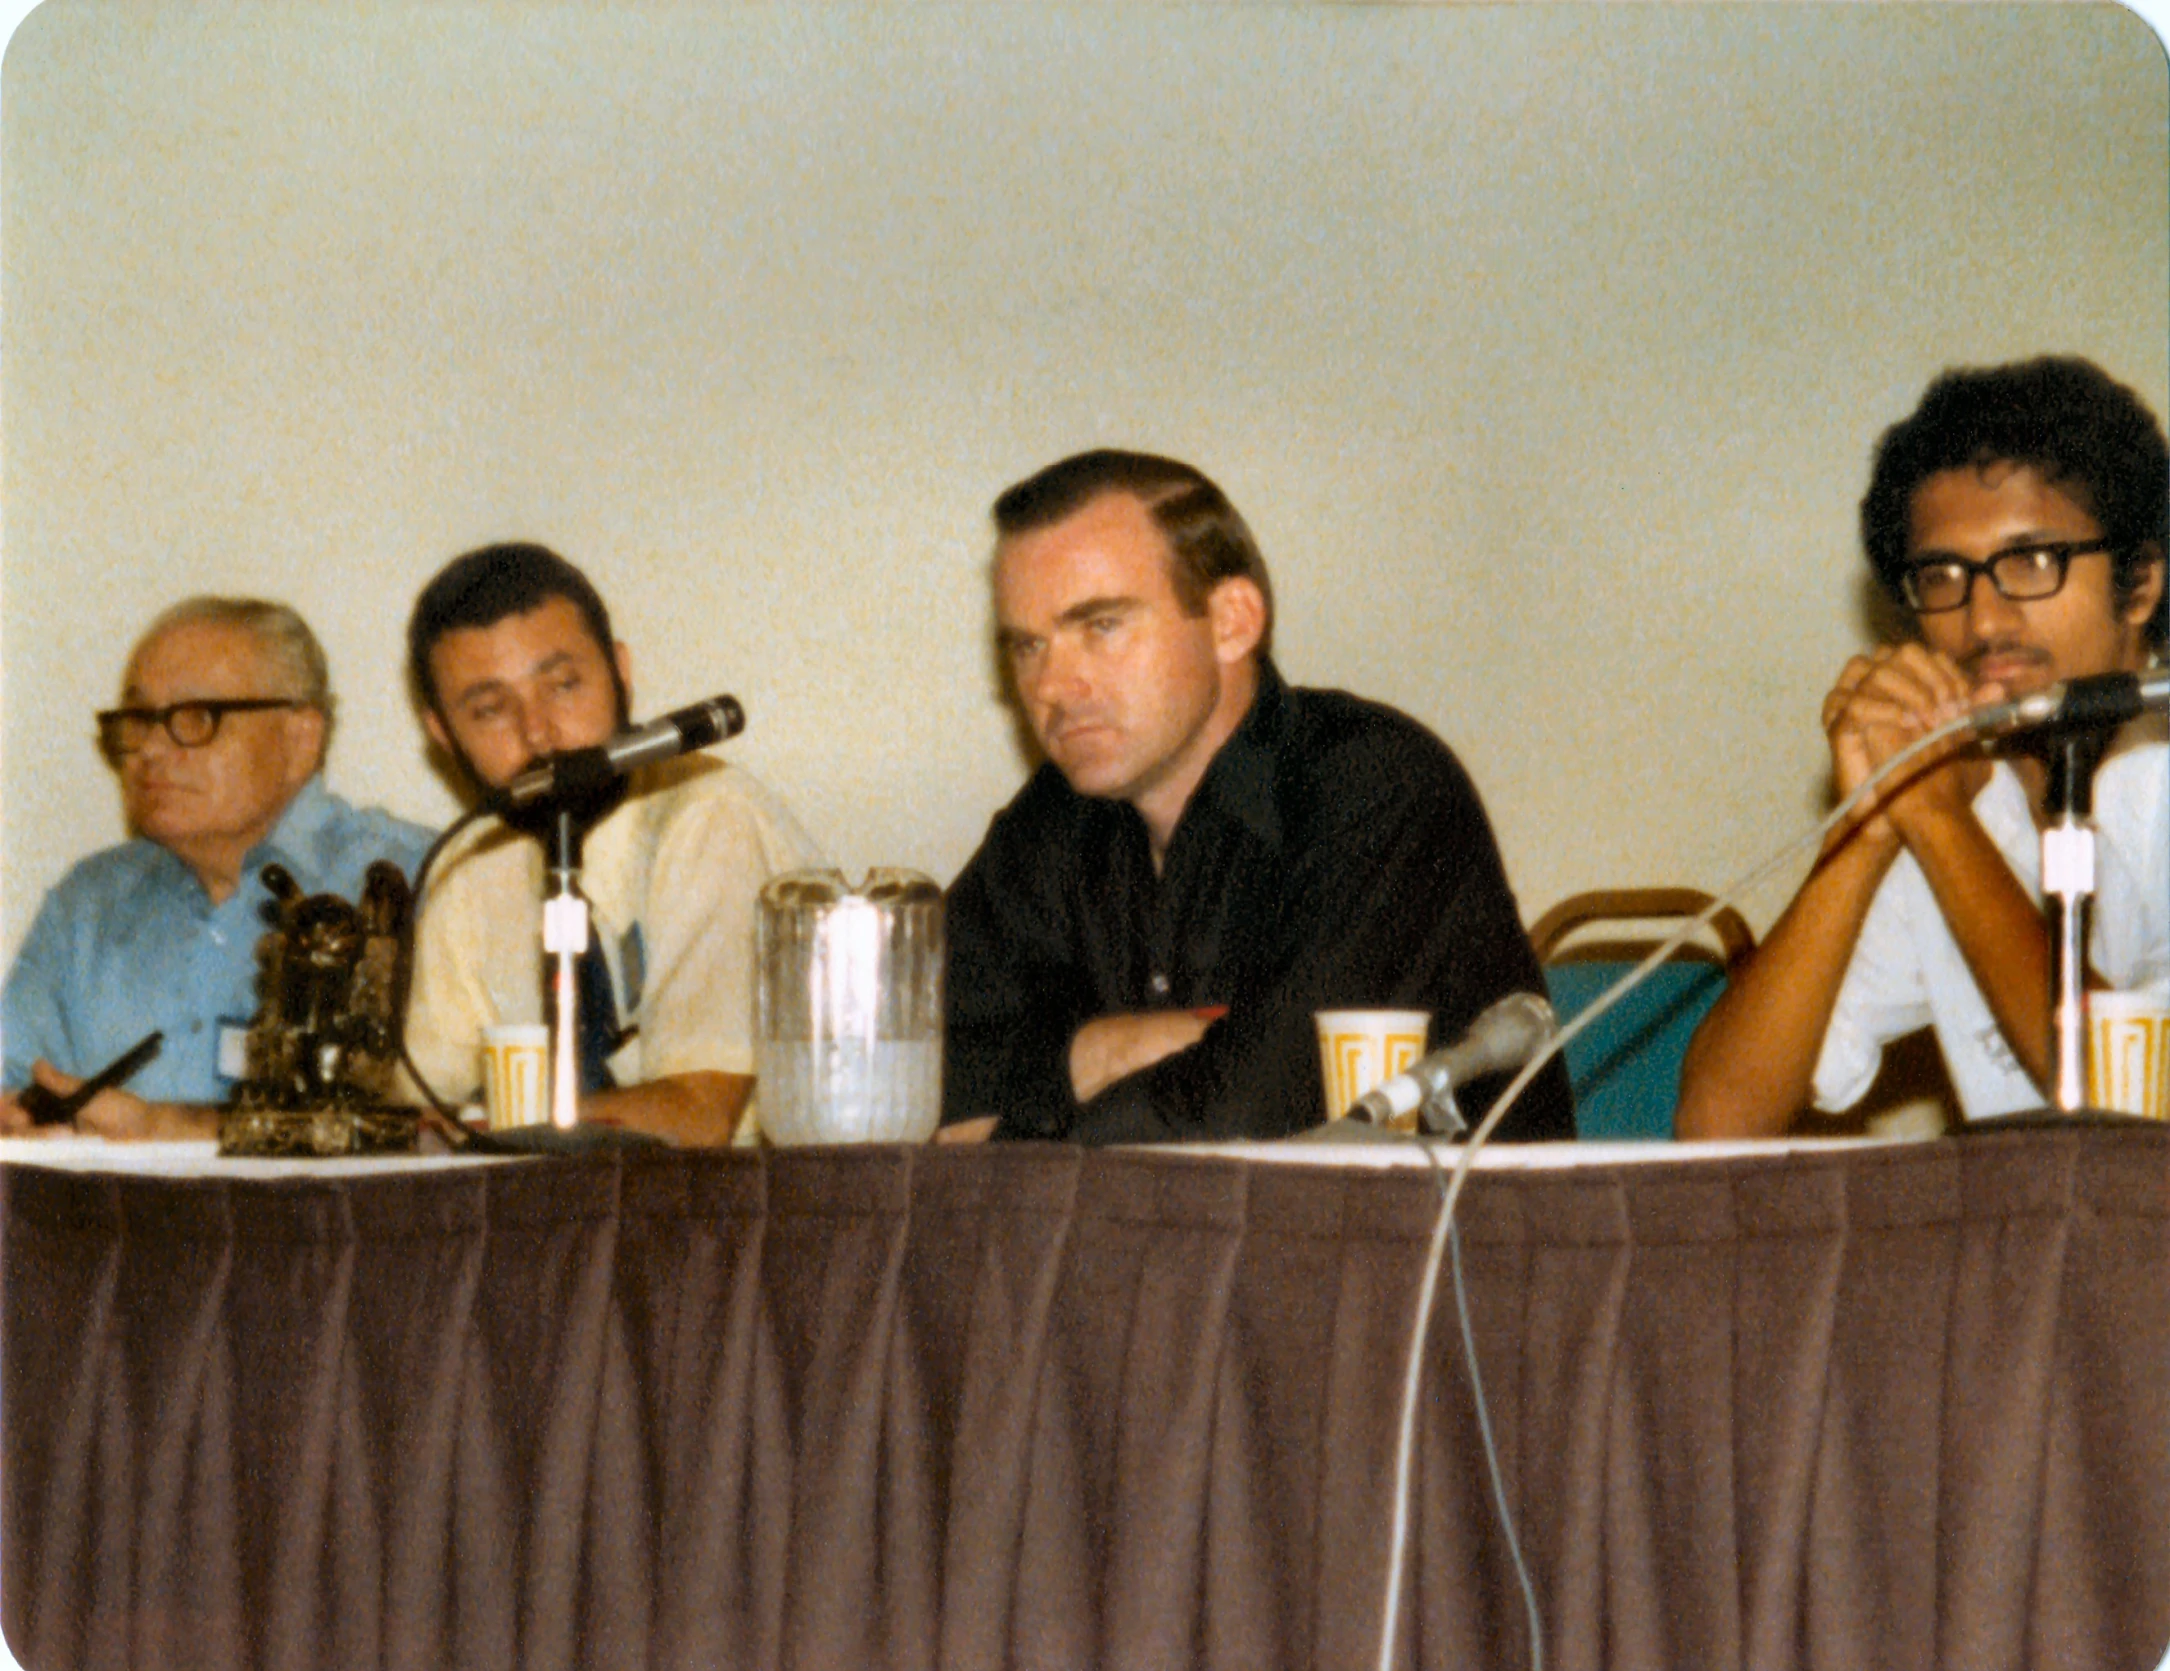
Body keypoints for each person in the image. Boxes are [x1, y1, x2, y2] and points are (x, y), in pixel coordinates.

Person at [937, 449, 1573, 1145]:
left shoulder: (1374, 785)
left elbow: (1249, 1118)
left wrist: (1031, 1108)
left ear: (1232, 622)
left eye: (1102, 626)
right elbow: (922, 1106)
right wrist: (1107, 1051)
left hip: (1437, 1248)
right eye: (1028, 646)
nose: (1053, 686)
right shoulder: (1050, 826)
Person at [1676, 356, 2168, 1139]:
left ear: (2140, 585)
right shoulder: (1966, 792)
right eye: (1943, 576)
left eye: (2032, 563)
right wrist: (1868, 829)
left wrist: (1940, 826)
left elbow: (2136, 1113)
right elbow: (1717, 1123)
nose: (1983, 622)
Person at [401, 542, 818, 1145]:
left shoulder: (708, 817)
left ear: (620, 672)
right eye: (491, 710)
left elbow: (698, 1117)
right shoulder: (469, 868)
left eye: (564, 685)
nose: (539, 733)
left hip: (741, 1220)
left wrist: (484, 1130)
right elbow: (418, 1106)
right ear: (442, 733)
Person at [1, 597, 434, 1140]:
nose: (151, 751)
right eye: (138, 721)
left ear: (300, 739)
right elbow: (11, 1082)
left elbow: (454, 1126)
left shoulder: (419, 880)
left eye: (194, 719)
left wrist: (172, 1130)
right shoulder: (88, 907)